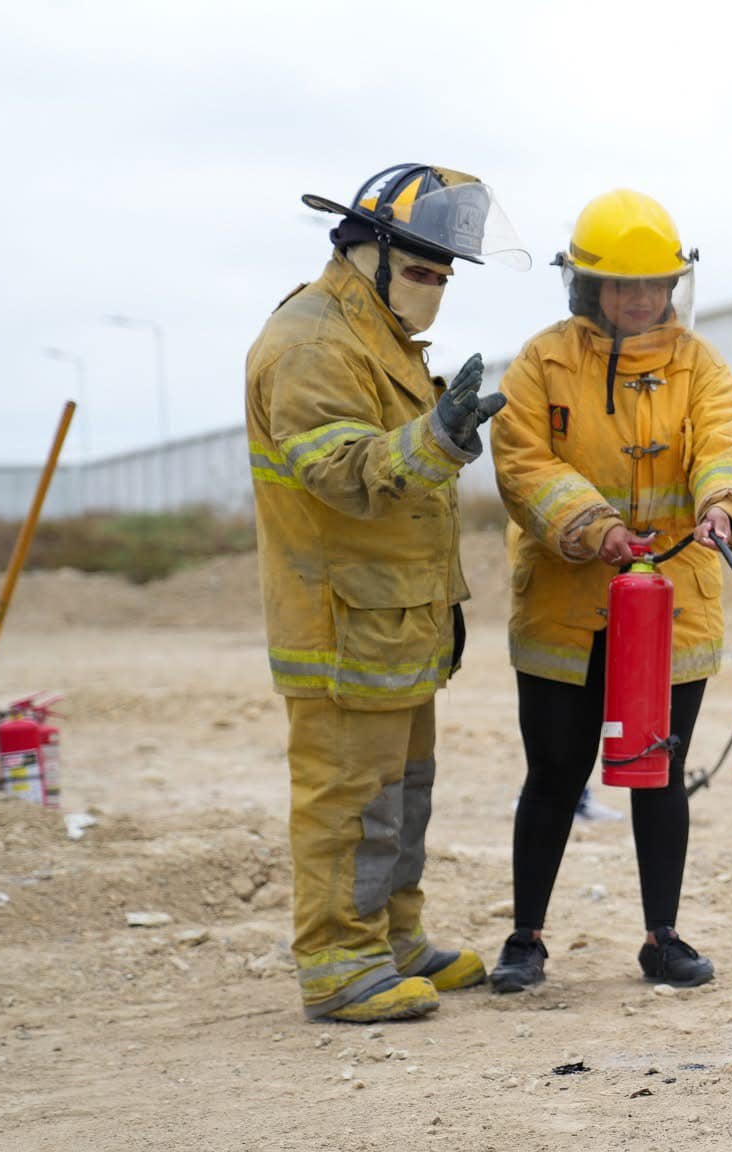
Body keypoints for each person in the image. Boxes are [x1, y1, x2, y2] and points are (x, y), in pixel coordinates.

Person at [246, 163, 527, 1022]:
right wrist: (438, 438)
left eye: (444, 276)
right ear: (363, 249)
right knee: (348, 801)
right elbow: (340, 472)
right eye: (421, 272)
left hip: (396, 621)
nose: (435, 291)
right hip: (342, 624)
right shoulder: (312, 344)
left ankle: (391, 939)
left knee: (402, 795)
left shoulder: (378, 335)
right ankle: (338, 960)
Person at [487, 189, 732, 993]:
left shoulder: (701, 366)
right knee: (554, 772)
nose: (642, 299)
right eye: (623, 285)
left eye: (655, 284)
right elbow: (523, 462)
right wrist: (592, 525)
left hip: (672, 603)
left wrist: (724, 505)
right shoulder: (541, 363)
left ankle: (663, 938)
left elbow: (726, 444)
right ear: (587, 287)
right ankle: (525, 938)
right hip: (566, 606)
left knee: (659, 771)